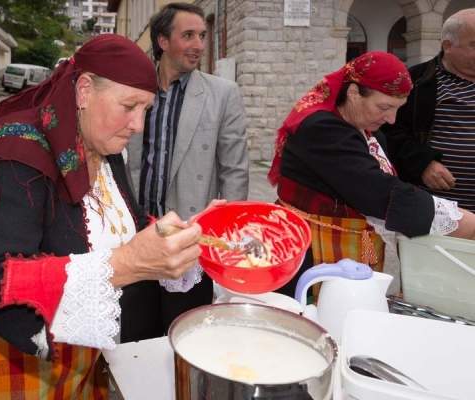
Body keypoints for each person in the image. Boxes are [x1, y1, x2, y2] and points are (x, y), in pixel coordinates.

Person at [0, 35, 208, 400]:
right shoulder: (17, 158)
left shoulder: (105, 147)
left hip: (74, 354)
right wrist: (126, 264)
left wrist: (168, 237)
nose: (138, 125)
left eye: (146, 110)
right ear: (83, 91)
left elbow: (121, 220)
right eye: (129, 106)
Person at [267, 51, 475, 296]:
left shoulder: (362, 125)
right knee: (321, 311)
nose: (392, 119)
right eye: (385, 107)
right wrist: (454, 219)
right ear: (354, 93)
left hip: (351, 240)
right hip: (312, 248)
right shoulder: (322, 128)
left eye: (398, 109)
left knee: (355, 304)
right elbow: (377, 191)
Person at [122, 2, 249, 341]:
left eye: (203, 36)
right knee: (136, 331)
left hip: (191, 237)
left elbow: (235, 170)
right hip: (137, 230)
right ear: (162, 41)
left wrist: (227, 239)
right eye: (188, 35)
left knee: (183, 334)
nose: (199, 45)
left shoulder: (222, 94)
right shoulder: (135, 88)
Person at [382, 8, 475, 213]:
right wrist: (422, 163)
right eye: (474, 45)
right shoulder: (415, 80)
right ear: (448, 46)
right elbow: (387, 131)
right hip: (437, 211)